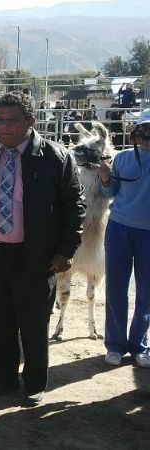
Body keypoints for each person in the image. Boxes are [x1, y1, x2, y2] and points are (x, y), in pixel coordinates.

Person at [0, 92, 85, 406]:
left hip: (36, 258)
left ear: (31, 121)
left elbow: (74, 208)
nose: (3, 128)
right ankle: (3, 379)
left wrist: (66, 250)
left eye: (11, 121)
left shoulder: (56, 157)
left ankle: (34, 384)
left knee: (33, 324)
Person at [100, 108, 150, 369]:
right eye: (143, 130)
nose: (146, 136)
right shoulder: (122, 159)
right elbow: (109, 192)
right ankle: (115, 344)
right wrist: (105, 178)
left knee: (146, 292)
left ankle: (139, 344)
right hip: (120, 228)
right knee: (116, 288)